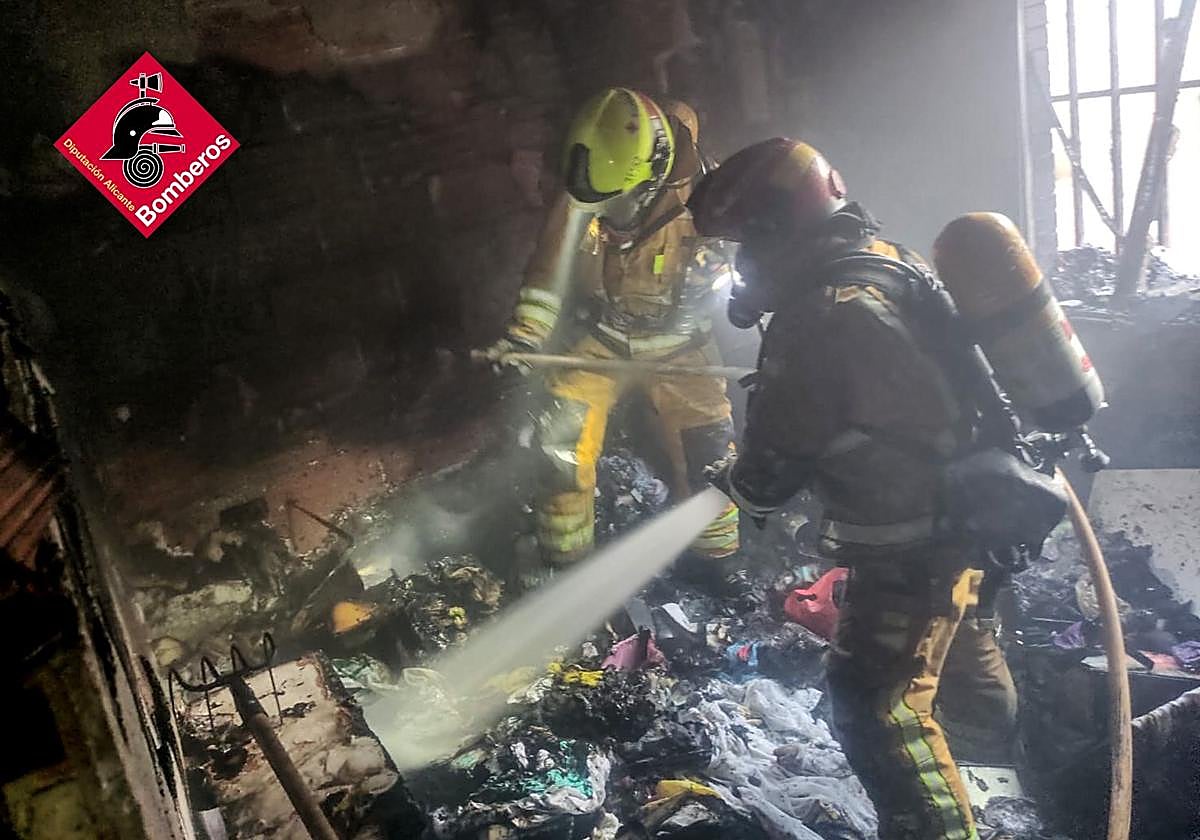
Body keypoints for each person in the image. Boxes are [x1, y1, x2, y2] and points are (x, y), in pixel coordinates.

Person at [689, 137, 1017, 840]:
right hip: (977, 514)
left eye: (743, 243)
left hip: (908, 541)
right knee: (964, 660)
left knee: (873, 704)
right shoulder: (890, 263)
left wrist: (729, 488)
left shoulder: (820, 315)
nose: (739, 264)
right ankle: (1004, 793)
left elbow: (771, 470)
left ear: (776, 230)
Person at [482, 87, 739, 573]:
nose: (607, 216)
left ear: (651, 179)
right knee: (558, 448)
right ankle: (566, 563)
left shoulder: (709, 198)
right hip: (606, 340)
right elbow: (547, 276)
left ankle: (717, 565)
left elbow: (759, 281)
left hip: (684, 347)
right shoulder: (588, 190)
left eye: (618, 203)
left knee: (710, 460)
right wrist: (524, 339)